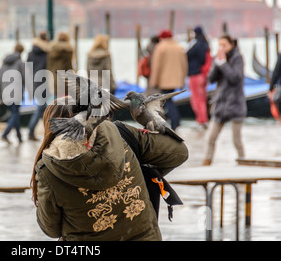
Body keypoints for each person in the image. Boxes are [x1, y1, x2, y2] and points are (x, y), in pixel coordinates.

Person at [31, 97, 188, 241]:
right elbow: (178, 153)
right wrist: (137, 174)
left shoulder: (47, 171)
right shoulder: (119, 133)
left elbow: (51, 229)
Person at [203, 35, 246, 166]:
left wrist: (224, 64)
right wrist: (218, 63)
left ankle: (243, 163)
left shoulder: (238, 58)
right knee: (211, 138)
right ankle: (206, 164)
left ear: (231, 45)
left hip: (235, 103)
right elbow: (211, 78)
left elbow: (235, 77)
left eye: (224, 45)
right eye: (219, 45)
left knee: (236, 140)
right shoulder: (219, 58)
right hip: (221, 103)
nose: (221, 48)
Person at [149, 30, 187, 130]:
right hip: (175, 80)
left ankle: (175, 120)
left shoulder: (160, 47)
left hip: (164, 80)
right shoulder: (179, 47)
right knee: (169, 100)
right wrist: (182, 79)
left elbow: (156, 66)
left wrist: (154, 81)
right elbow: (184, 65)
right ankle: (175, 120)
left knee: (167, 101)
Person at [0, 43, 25, 144]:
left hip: (5, 91)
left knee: (14, 113)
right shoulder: (19, 63)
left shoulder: (4, 62)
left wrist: (0, 93)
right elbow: (25, 77)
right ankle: (5, 134)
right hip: (16, 91)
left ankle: (19, 137)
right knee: (15, 114)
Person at [26, 31, 50, 141]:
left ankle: (47, 131)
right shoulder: (47, 52)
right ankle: (31, 131)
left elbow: (28, 67)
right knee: (41, 108)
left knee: (42, 108)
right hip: (43, 81)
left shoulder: (31, 52)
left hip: (35, 81)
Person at [186, 26, 210, 130]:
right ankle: (203, 121)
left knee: (197, 100)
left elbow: (187, 55)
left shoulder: (197, 45)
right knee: (201, 99)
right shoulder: (205, 44)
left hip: (196, 75)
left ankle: (201, 121)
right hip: (202, 76)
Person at [46, 32, 74, 98]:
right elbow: (69, 67)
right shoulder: (69, 50)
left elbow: (49, 66)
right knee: (66, 101)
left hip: (54, 78)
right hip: (66, 80)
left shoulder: (51, 50)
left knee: (57, 101)